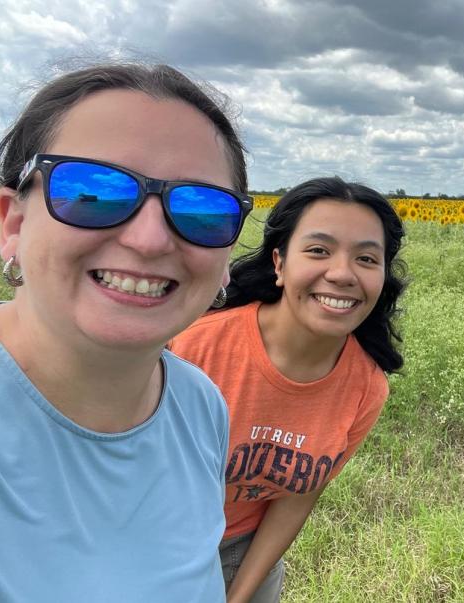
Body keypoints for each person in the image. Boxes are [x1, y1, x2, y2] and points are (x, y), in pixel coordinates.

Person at [0, 63, 253, 601]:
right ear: (12, 223)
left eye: (201, 209)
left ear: (227, 257)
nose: (149, 239)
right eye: (94, 192)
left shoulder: (199, 404)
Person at [169, 176, 406, 602]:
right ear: (279, 263)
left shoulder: (365, 387)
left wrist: (239, 595)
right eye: (318, 250)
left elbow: (297, 497)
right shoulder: (192, 345)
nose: (342, 274)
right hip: (149, 540)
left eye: (367, 259)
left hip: (244, 549)